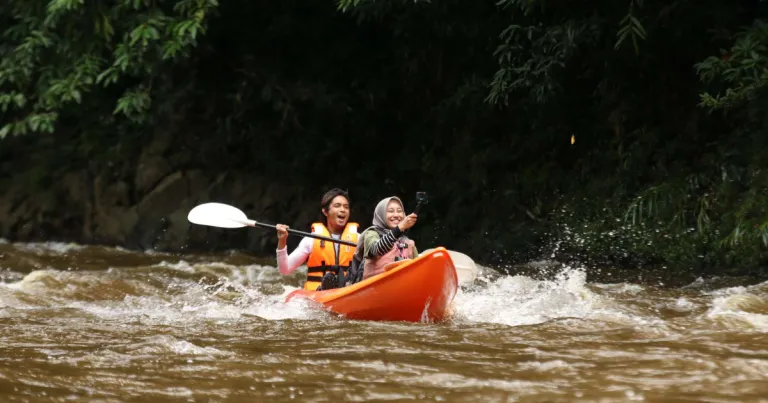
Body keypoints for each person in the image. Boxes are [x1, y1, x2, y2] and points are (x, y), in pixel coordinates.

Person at [275, 188, 359, 291]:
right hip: (317, 294)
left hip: (348, 290)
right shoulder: (311, 240)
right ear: (325, 211)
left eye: (346, 207)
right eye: (337, 206)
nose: (343, 210)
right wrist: (282, 241)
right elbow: (285, 269)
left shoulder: (359, 239)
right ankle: (326, 286)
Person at [348, 196, 418, 284]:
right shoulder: (371, 233)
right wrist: (399, 228)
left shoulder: (408, 242)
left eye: (399, 211)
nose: (396, 215)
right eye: (390, 211)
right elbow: (376, 249)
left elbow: (418, 265)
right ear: (381, 214)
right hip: (373, 287)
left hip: (402, 286)